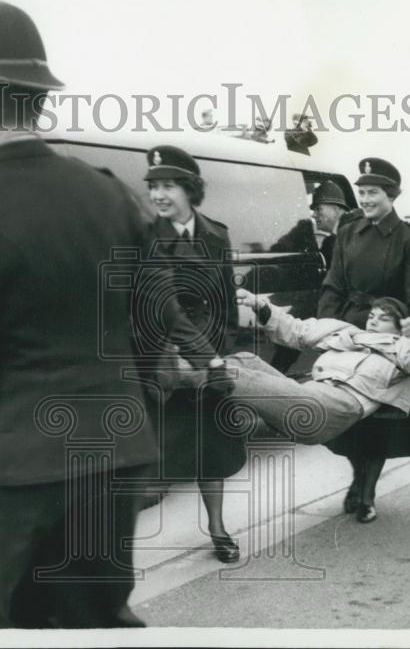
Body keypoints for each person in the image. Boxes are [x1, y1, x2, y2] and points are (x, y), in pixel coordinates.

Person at [0, 0, 228, 629]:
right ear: (40, 101)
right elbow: (152, 321)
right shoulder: (111, 194)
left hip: (3, 467)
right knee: (90, 622)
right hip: (111, 453)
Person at [316, 158, 410, 522]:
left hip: (388, 336)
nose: (365, 200)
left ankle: (366, 493)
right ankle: (357, 477)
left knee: (379, 422)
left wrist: (401, 334)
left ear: (391, 195)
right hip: (351, 331)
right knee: (348, 417)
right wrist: (326, 327)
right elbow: (334, 284)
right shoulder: (348, 233)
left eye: (373, 193)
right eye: (362, 192)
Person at [143, 144, 245, 564]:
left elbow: (225, 305)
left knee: (210, 451)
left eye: (168, 186)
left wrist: (221, 353)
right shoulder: (145, 237)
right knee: (146, 455)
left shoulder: (216, 235)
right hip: (163, 360)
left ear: (190, 189)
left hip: (207, 361)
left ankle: (218, 528)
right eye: (153, 186)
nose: (158, 195)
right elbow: (150, 307)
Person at [209, 292, 410, 445]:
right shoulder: (346, 331)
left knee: (236, 376)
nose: (372, 321)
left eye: (382, 319)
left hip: (329, 410)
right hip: (309, 395)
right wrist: (261, 304)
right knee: (246, 359)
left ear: (399, 328)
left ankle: (179, 370)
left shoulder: (401, 346)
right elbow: (296, 330)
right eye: (372, 315)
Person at [269, 180, 360, 374]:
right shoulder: (330, 242)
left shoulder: (355, 235)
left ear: (336, 208)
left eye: (319, 209)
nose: (314, 214)